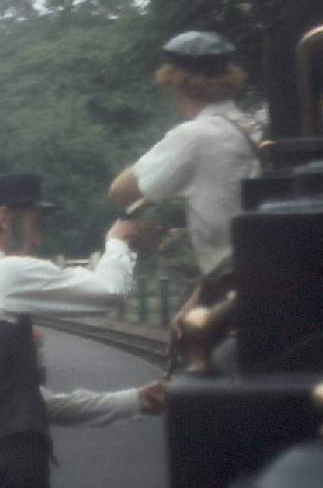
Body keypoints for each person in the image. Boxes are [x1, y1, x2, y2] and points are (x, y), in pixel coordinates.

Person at [0, 172, 167, 488]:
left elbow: (32, 403)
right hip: (13, 471)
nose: (39, 240)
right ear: (4, 218)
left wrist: (135, 401)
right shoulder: (1, 273)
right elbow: (109, 291)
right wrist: (118, 241)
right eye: (36, 224)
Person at [108, 31, 262, 330]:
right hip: (260, 276)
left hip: (231, 287)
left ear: (176, 83)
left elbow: (120, 192)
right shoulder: (254, 127)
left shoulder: (193, 137)